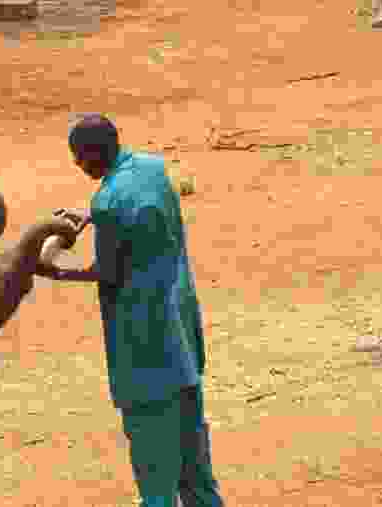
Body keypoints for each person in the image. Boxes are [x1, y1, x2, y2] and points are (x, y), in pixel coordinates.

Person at [36, 113, 225, 507]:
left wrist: (56, 272)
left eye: (77, 157)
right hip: (182, 340)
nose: (76, 164)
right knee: (197, 473)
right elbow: (141, 218)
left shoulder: (108, 201)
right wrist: (91, 216)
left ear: (89, 156)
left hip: (145, 353)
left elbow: (107, 272)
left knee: (156, 482)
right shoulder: (153, 169)